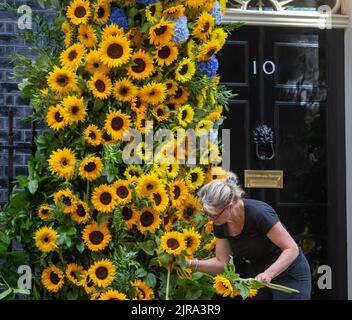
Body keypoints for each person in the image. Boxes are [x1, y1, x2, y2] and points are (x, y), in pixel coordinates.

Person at [186, 171, 312, 300]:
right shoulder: (220, 222)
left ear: (229, 206)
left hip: (289, 275)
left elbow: (291, 249)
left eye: (212, 215)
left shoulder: (259, 213)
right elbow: (221, 263)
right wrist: (189, 264)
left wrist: (268, 274)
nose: (209, 219)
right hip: (260, 279)